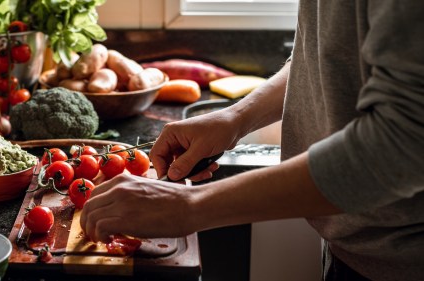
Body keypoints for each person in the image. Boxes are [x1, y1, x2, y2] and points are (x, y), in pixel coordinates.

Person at [80, 1, 424, 280]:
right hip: (357, 247)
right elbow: (324, 57)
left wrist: (191, 206)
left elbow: (403, 142)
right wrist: (236, 117)